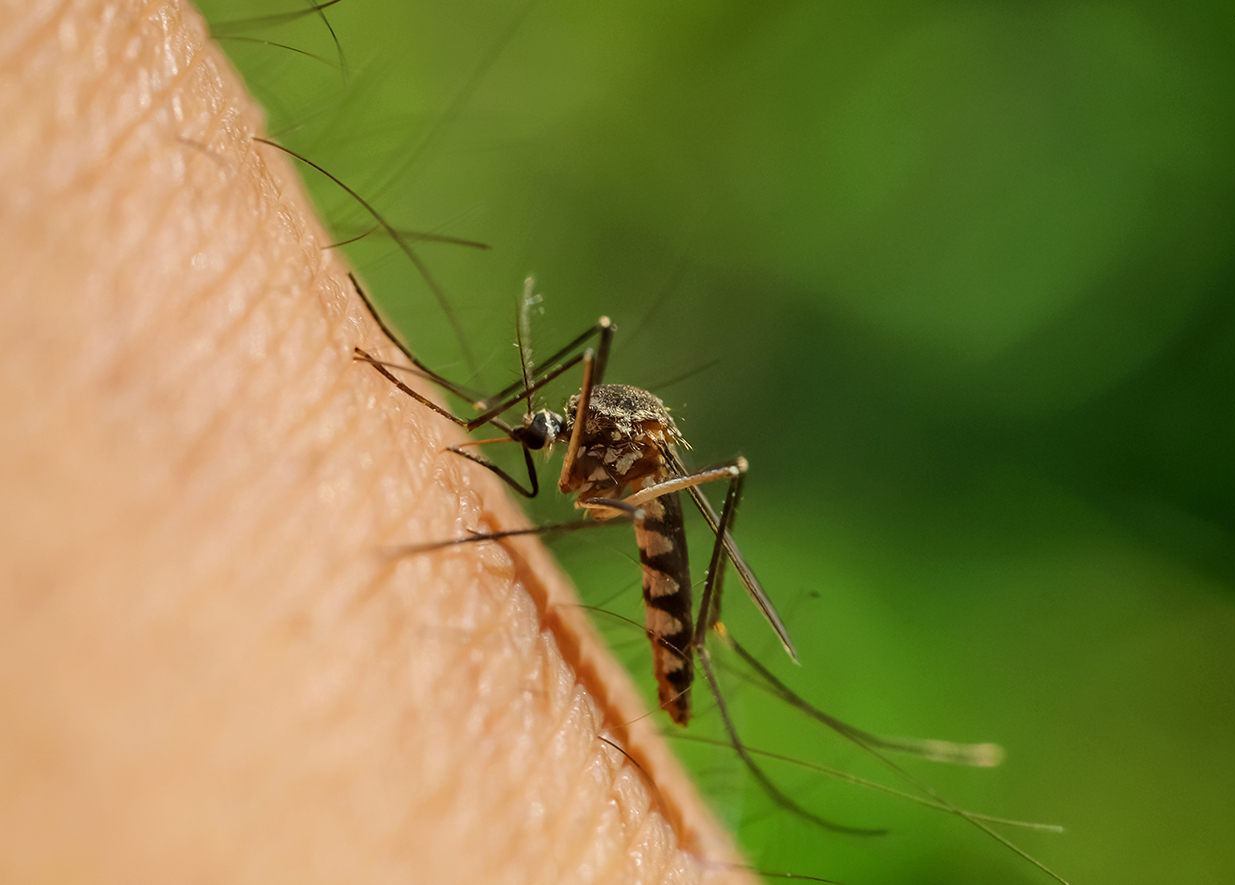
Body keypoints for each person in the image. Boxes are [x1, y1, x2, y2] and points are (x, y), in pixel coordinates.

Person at [0, 1, 752, 881]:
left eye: (545, 426)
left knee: (680, 444)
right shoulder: (574, 418)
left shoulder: (611, 448)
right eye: (545, 425)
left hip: (658, 511)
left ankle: (705, 640)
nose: (539, 434)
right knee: (596, 354)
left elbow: (643, 458)